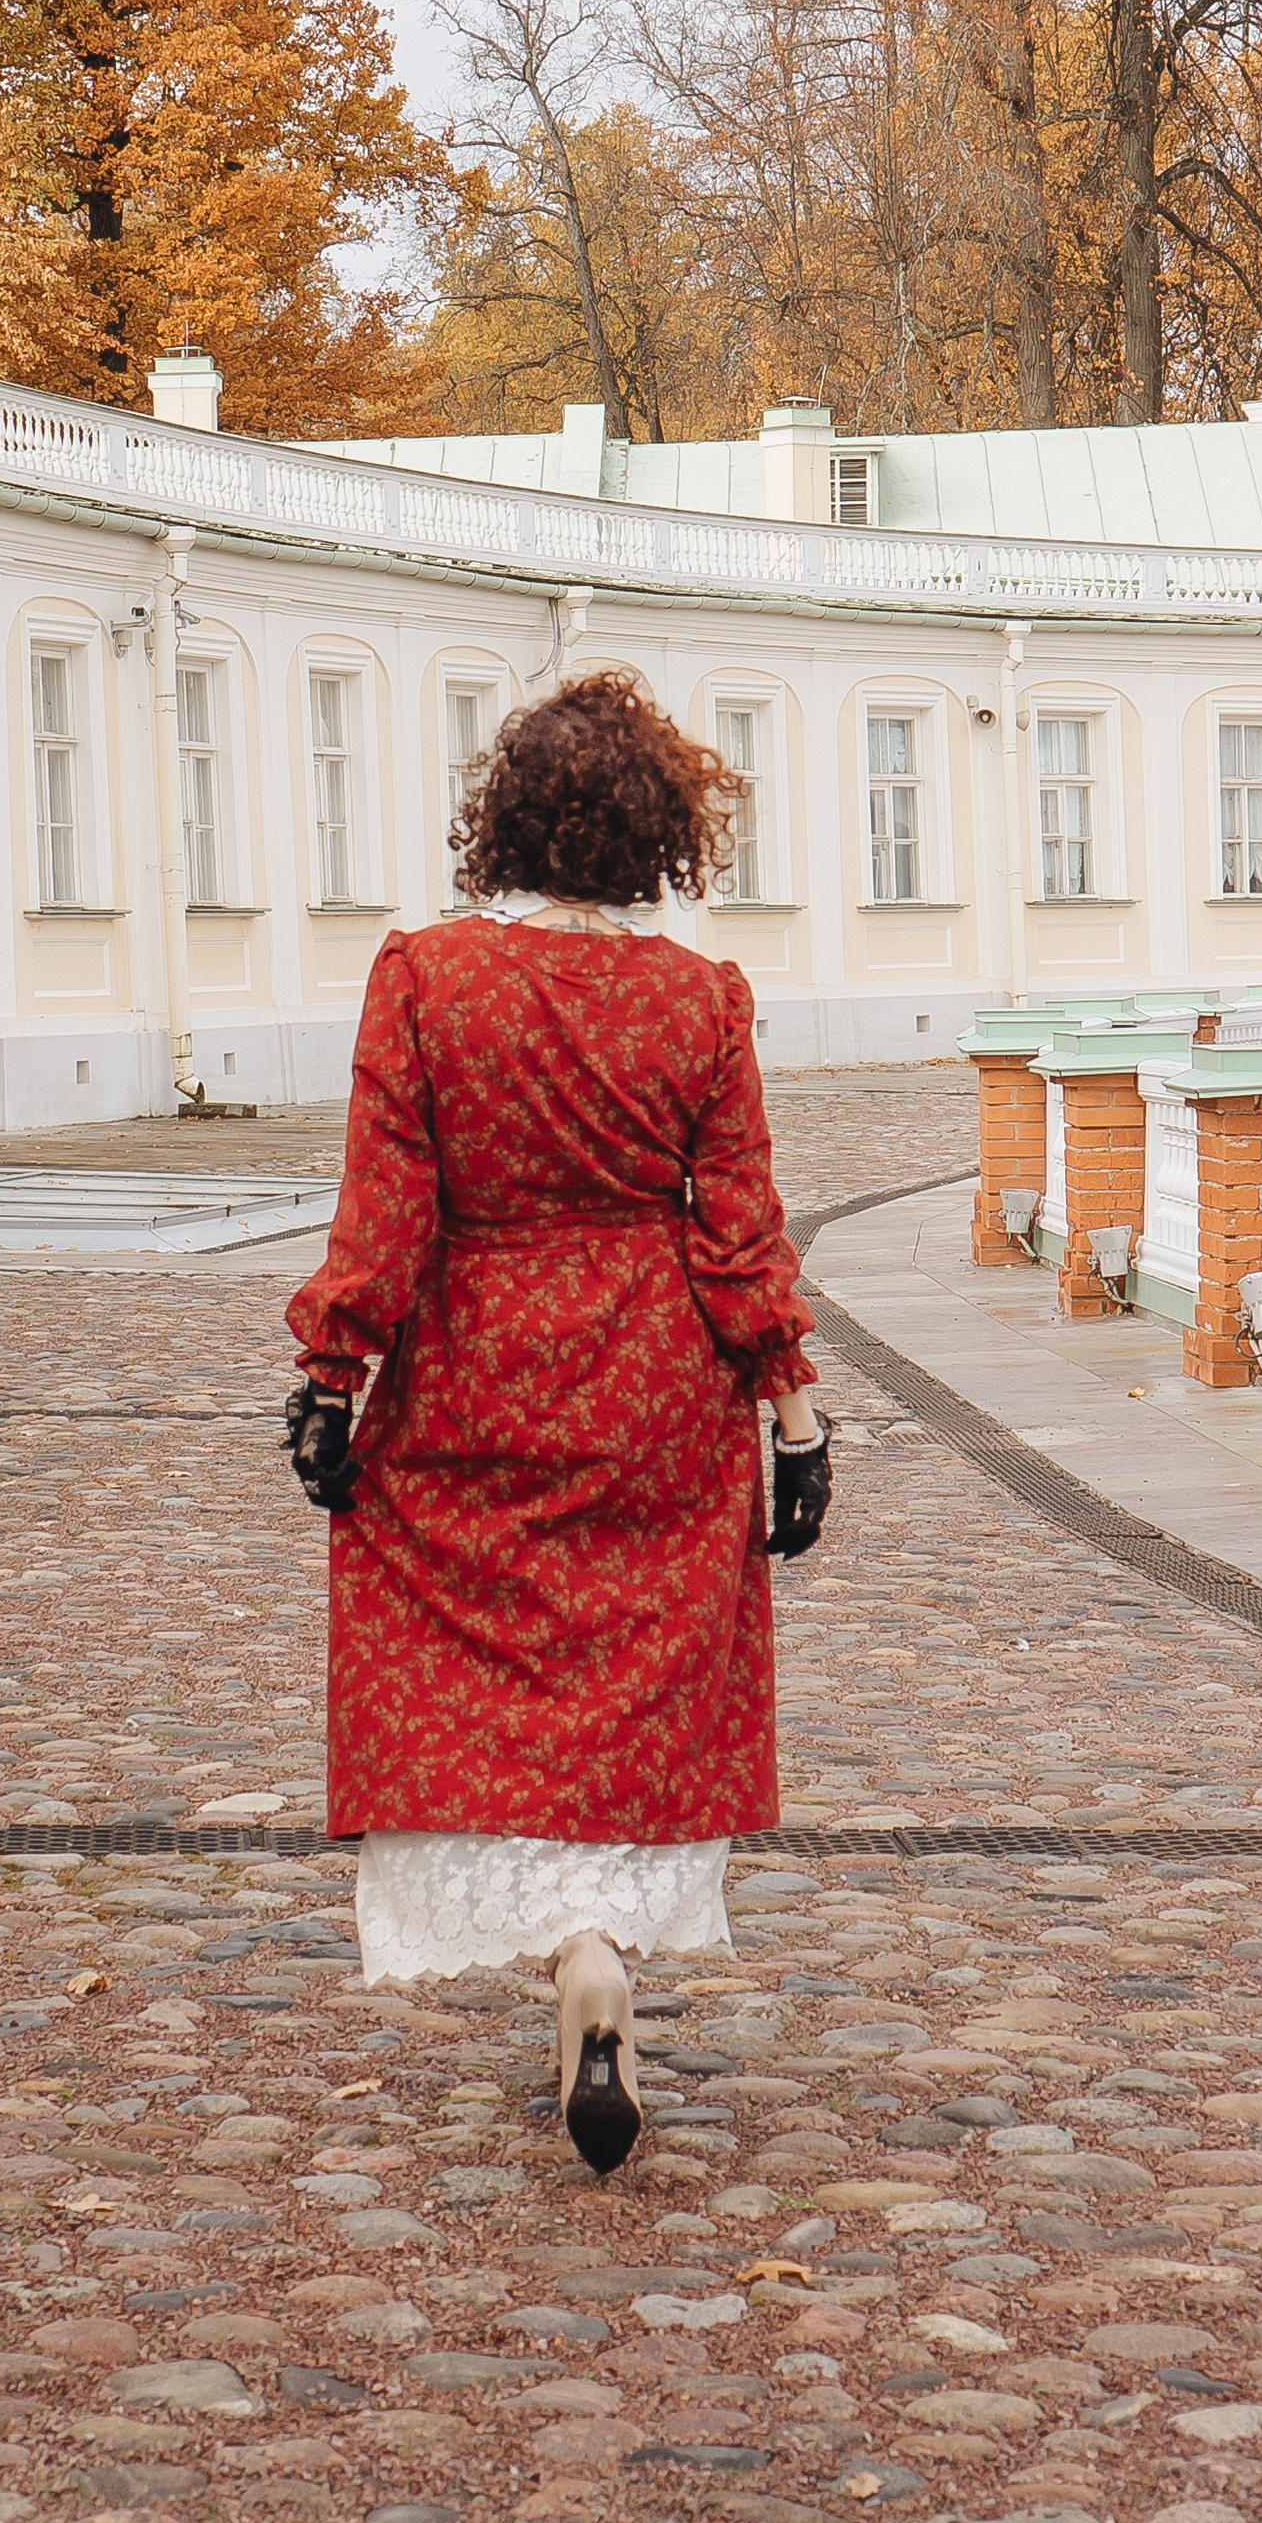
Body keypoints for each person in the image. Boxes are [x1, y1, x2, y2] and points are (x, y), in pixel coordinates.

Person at [282, 667, 830, 2174]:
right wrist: (793, 1418)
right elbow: (741, 1230)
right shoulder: (702, 999)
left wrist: (333, 1380)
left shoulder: (426, 977)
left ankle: (569, 1951)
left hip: (472, 1364)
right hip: (655, 1381)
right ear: (661, 835)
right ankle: (603, 1948)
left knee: (476, 1676)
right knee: (631, 1680)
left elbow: (385, 1212)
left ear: (504, 822)